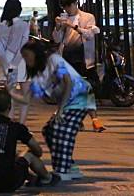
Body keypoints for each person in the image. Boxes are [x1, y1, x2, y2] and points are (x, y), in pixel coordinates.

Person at [16, 41, 94, 180]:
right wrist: (10, 92)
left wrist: (60, 110)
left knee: (61, 129)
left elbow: (68, 83)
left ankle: (63, 170)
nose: (26, 60)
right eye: (24, 57)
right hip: (67, 103)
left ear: (36, 54)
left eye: (27, 56)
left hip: (80, 97)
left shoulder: (55, 60)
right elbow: (26, 99)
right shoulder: (38, 75)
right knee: (49, 130)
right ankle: (68, 165)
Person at [0, 87, 60, 193]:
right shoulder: (15, 127)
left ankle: (32, 178)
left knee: (5, 155)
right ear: (10, 106)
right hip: (6, 182)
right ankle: (47, 178)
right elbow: (38, 150)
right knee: (28, 155)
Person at [53, 0, 105, 132]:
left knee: (87, 90)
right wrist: (58, 27)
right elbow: (57, 39)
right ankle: (88, 120)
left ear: (75, 3)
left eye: (69, 7)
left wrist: (73, 26)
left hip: (84, 59)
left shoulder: (88, 17)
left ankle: (89, 120)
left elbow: (89, 35)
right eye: (65, 8)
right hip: (67, 59)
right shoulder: (62, 20)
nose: (67, 10)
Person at [0, 0, 31, 125]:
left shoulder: (1, 26)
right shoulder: (24, 25)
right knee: (25, 95)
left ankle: (9, 123)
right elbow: (23, 47)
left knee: (10, 96)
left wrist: (7, 66)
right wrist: (15, 65)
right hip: (22, 61)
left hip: (6, 59)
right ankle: (21, 125)